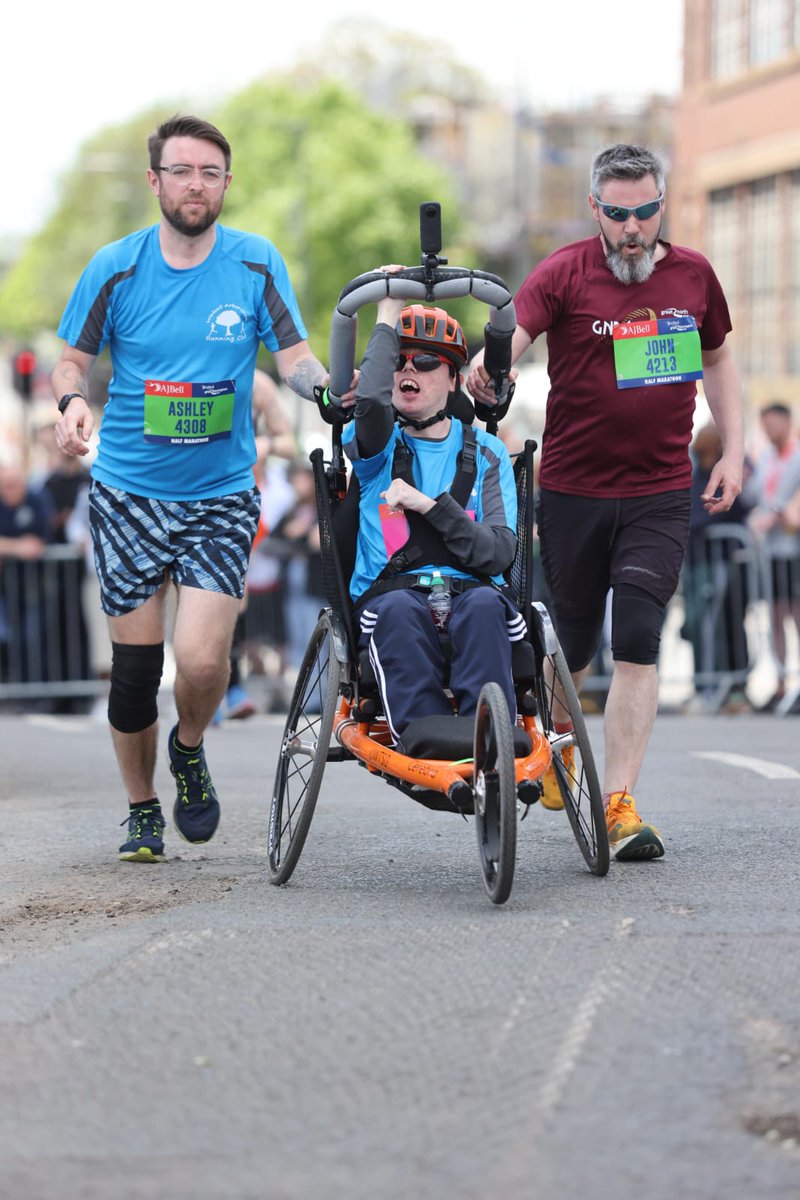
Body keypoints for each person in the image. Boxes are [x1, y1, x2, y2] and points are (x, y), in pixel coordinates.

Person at [51, 114, 352, 864]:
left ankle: (188, 746)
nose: (196, 184)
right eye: (182, 171)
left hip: (219, 495)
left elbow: (295, 358)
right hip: (127, 494)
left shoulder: (254, 264)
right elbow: (70, 362)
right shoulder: (115, 268)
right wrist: (72, 402)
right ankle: (142, 809)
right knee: (133, 674)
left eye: (210, 172)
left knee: (204, 662)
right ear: (155, 181)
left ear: (225, 183)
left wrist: (329, 393)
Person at [467, 143, 744, 861]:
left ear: (662, 206)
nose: (633, 228)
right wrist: (488, 371)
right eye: (618, 214)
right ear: (596, 209)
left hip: (658, 491)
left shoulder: (693, 277)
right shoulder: (564, 272)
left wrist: (735, 449)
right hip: (572, 491)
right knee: (576, 645)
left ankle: (619, 802)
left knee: (640, 642)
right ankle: (560, 752)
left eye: (645, 212)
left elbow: (717, 359)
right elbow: (513, 340)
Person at [342, 285, 525, 748]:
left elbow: (500, 552)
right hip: (394, 597)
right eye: (400, 361)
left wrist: (430, 505)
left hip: (473, 593)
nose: (408, 369)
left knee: (486, 606)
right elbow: (370, 405)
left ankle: (489, 737)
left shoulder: (488, 453)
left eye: (424, 362)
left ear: (452, 379)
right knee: (400, 611)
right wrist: (388, 307)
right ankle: (426, 733)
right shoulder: (376, 448)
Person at [681, 422, 754, 712]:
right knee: (701, 625)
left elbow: (715, 512)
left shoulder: (730, 470)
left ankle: (728, 687)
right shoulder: (697, 473)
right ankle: (707, 685)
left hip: (725, 557)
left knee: (723, 624)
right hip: (700, 559)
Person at [742, 402, 800, 711]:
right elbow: (754, 495)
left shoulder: (797, 456)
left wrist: (777, 514)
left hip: (794, 549)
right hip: (772, 553)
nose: (768, 429)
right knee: (776, 616)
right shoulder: (766, 459)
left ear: (787, 422)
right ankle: (780, 683)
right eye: (764, 424)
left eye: (773, 423)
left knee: (796, 616)